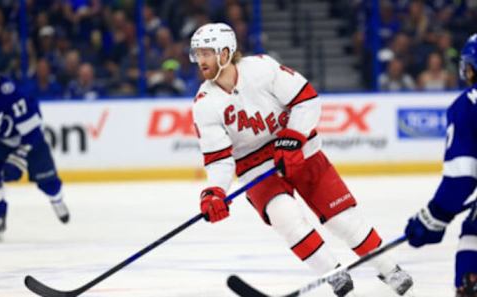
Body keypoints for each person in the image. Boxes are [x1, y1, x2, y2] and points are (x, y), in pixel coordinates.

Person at [190, 23, 413, 297]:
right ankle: (334, 276)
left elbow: (307, 99)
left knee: (342, 220)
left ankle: (391, 270)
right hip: (255, 169)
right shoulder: (204, 103)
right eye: (197, 53)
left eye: (206, 53)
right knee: (286, 218)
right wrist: (215, 191)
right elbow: (219, 158)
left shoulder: (261, 69)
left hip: (302, 154)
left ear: (226, 53)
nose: (201, 60)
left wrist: (293, 138)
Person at [405, 33, 477, 297]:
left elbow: (461, 179)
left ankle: (471, 282)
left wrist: (432, 219)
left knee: (475, 230)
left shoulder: (467, 105)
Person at [0, 74, 70, 241]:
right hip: (1, 141)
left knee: (49, 183)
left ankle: (56, 200)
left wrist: (20, 156)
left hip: (29, 139)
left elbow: (34, 130)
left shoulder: (10, 95)